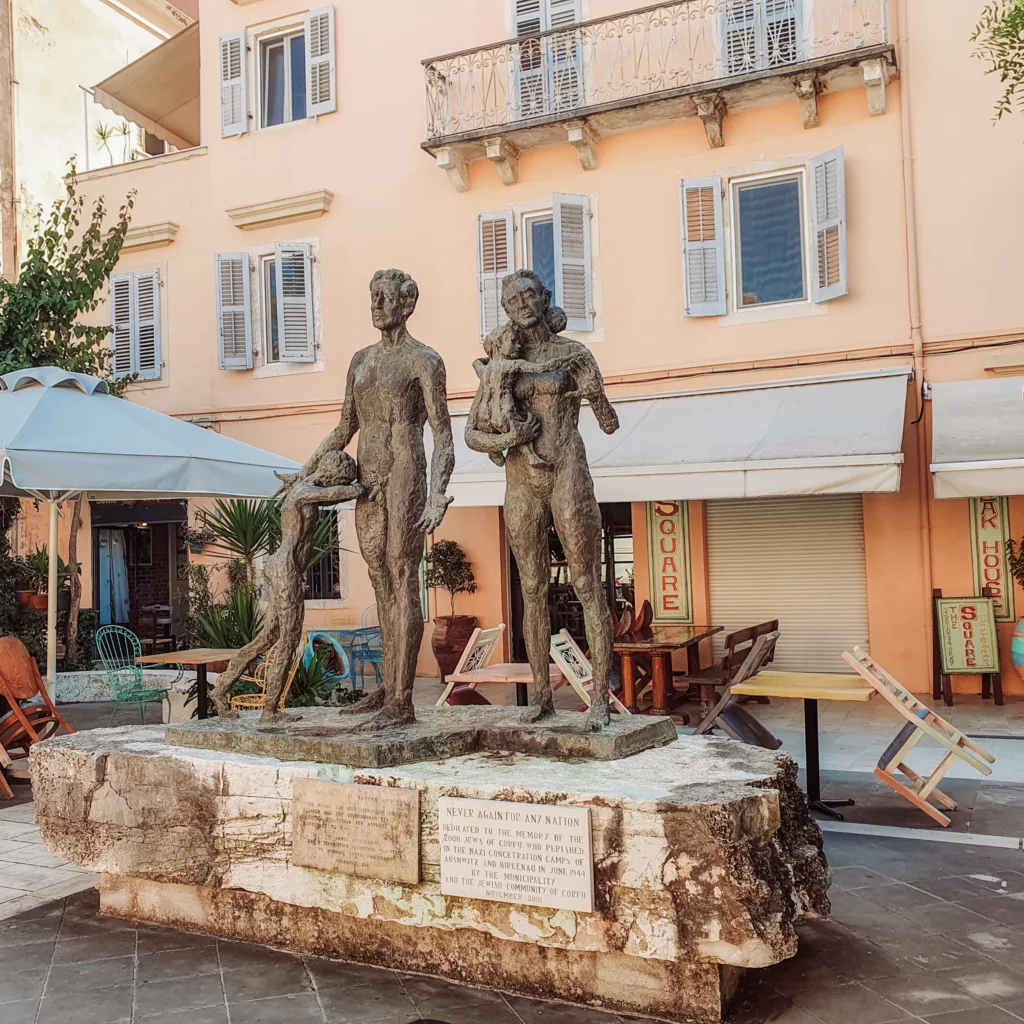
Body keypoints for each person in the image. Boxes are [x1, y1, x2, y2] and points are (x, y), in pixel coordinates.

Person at [281, 269, 455, 730]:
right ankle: (388, 689)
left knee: (403, 575)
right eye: (372, 295)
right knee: (380, 580)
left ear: (408, 304)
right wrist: (305, 472)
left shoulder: (425, 360)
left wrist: (436, 494)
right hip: (366, 475)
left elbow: (443, 435)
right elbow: (344, 429)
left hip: (405, 472)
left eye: (385, 297)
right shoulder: (360, 361)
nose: (376, 304)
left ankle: (403, 699)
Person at [465, 270, 619, 729]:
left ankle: (600, 704)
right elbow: (472, 433)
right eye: (511, 300)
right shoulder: (499, 361)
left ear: (544, 297)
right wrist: (509, 437)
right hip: (519, 480)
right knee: (531, 589)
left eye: (529, 294)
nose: (522, 304)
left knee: (587, 584)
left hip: (567, 468)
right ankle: (540, 699)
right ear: (506, 310)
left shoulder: (572, 353)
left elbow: (608, 423)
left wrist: (596, 396)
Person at [210, 452, 362, 722]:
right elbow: (338, 495)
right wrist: (361, 487)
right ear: (331, 475)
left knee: (266, 639)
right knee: (288, 641)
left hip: (283, 568)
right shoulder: (304, 491)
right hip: (286, 569)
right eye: (339, 479)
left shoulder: (303, 486)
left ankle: (221, 691)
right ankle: (270, 711)